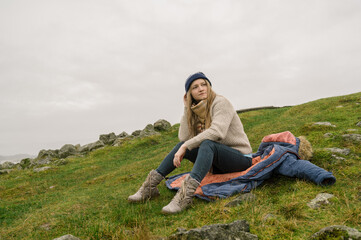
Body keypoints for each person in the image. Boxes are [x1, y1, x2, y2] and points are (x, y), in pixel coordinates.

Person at [128, 72, 253, 214]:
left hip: (241, 159)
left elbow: (218, 132)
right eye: (195, 87)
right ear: (189, 93)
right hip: (218, 163)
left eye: (204, 84)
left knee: (206, 144)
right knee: (182, 146)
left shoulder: (220, 103)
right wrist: (187, 108)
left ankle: (185, 197)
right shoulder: (195, 109)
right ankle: (149, 187)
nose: (201, 89)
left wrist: (186, 145)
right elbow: (183, 137)